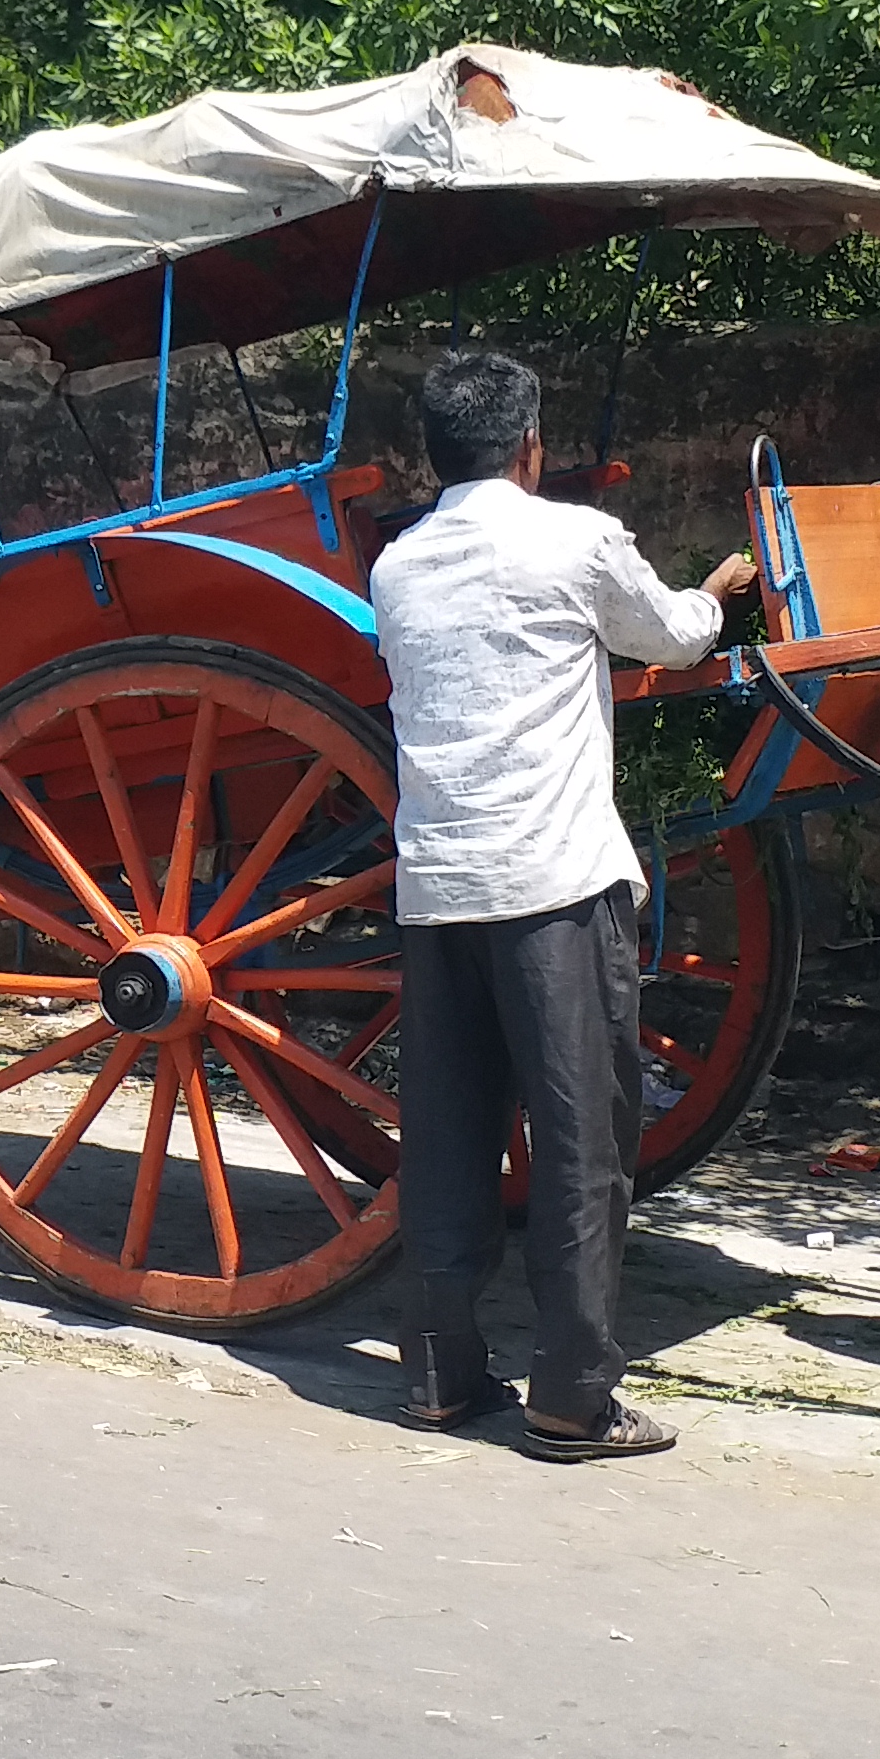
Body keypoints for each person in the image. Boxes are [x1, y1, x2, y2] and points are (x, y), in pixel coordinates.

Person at [364, 350, 760, 1466]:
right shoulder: (575, 539)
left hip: (438, 889)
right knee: (583, 1142)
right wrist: (719, 594)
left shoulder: (398, 565)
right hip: (553, 884)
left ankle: (440, 1377)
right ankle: (573, 1397)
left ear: (432, 455)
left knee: (447, 1139)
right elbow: (675, 637)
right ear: (529, 447)